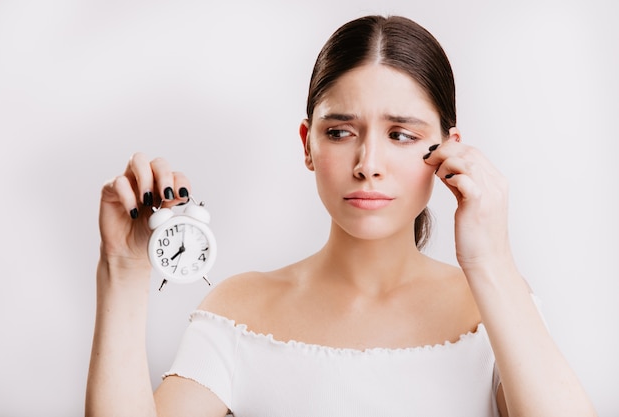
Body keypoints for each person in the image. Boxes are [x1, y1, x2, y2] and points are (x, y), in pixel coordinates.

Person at [85, 15, 597, 417]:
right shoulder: (239, 310)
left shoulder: (497, 308)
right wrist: (122, 270)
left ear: (449, 151)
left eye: (401, 135)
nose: (368, 165)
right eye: (340, 131)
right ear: (307, 144)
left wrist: (490, 260)